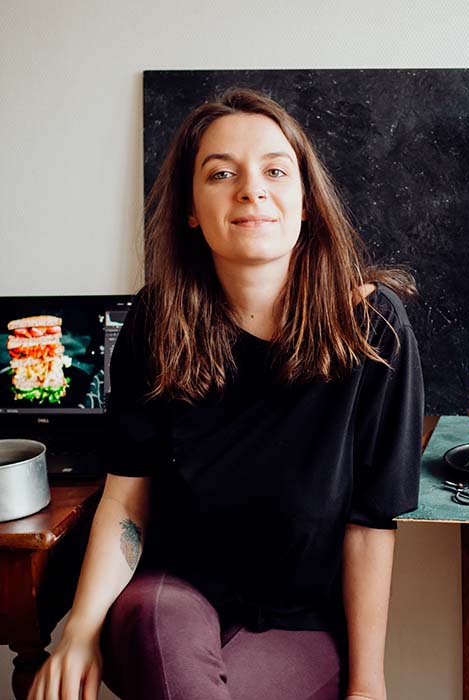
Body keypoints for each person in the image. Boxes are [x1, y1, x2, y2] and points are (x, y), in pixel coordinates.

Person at [28, 87, 424, 700]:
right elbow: (127, 502)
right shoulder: (156, 321)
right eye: (220, 173)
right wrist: (79, 628)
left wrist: (369, 688)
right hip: (170, 592)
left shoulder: (373, 331)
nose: (251, 190)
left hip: (298, 622)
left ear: (306, 200)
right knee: (162, 630)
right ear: (191, 206)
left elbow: (370, 526)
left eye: (274, 170)